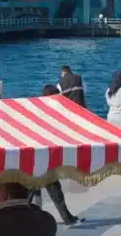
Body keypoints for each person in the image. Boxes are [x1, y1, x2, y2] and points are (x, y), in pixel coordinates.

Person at [29, 85, 82, 227]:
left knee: (38, 190)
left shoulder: (40, 111)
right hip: (42, 159)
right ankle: (68, 219)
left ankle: (68, 218)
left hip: (40, 158)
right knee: (51, 191)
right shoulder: (47, 113)